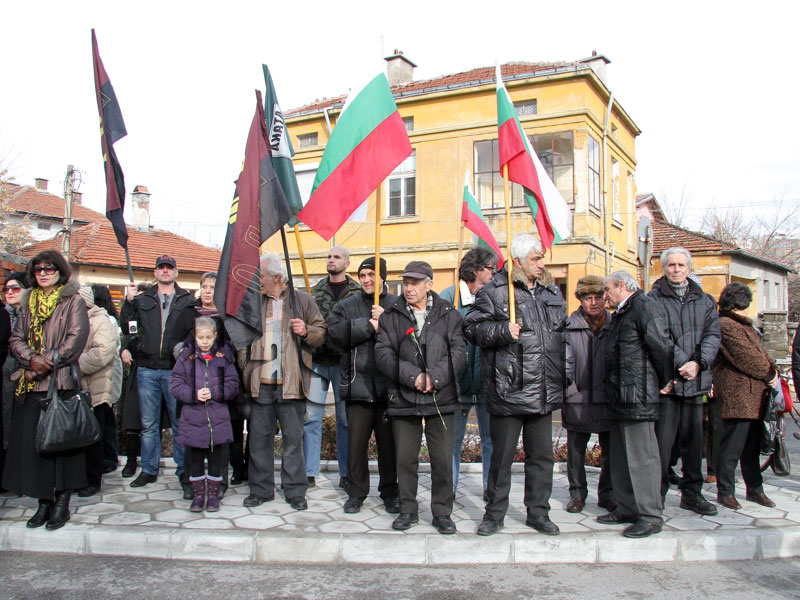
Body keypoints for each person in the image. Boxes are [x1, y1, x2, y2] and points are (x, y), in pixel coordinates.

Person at [464, 234, 566, 537]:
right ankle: (494, 514)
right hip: (509, 388)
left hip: (543, 389)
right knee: (502, 458)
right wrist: (501, 330)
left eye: (542, 258)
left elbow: (561, 334)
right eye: (535, 258)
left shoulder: (550, 291)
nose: (541, 264)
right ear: (518, 261)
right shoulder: (495, 290)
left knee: (542, 458)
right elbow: (471, 328)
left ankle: (538, 512)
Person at [375, 260, 466, 534]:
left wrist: (434, 378)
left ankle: (442, 513)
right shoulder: (390, 316)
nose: (409, 288)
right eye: (405, 282)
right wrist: (413, 376)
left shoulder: (450, 315)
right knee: (405, 459)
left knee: (441, 459)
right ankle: (407, 510)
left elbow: (459, 353)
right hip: (403, 398)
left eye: (415, 282)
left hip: (442, 397)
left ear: (429, 284)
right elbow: (383, 354)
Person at [4, 250, 90, 530]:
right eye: (38, 269)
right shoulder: (28, 302)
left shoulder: (72, 301)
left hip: (62, 380)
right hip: (31, 382)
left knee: (61, 445)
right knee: (36, 446)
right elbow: (16, 338)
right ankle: (43, 502)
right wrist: (32, 360)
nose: (43, 273)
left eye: (49, 268)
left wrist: (48, 361)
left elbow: (76, 339)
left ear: (60, 272)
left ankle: (62, 504)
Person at [238, 253, 326, 510]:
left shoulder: (303, 301)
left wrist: (307, 331)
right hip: (261, 383)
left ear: (276, 277)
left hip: (292, 384)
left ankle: (295, 491)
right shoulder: (254, 302)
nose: (259, 280)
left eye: (262, 276)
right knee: (258, 440)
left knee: (292, 440)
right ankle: (261, 489)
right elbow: (242, 338)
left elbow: (322, 333)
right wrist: (246, 368)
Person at [600, 270, 674, 538]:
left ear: (621, 285)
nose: (604, 296)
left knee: (643, 459)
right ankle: (627, 507)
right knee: (621, 457)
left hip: (637, 396)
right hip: (620, 396)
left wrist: (664, 380)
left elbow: (662, 348)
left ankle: (650, 515)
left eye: (607, 290)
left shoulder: (644, 306)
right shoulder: (622, 312)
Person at [648, 247, 720, 516]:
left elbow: (713, 335)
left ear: (689, 268)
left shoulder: (705, 300)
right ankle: (657, 496)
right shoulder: (653, 299)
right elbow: (658, 337)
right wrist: (681, 364)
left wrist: (698, 363)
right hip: (668, 385)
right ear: (664, 268)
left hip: (695, 384)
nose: (676, 269)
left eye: (681, 265)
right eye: (671, 265)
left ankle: (692, 494)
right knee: (662, 446)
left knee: (693, 444)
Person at [327, 257, 399, 514]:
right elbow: (333, 334)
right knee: (356, 446)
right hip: (357, 385)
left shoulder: (396, 305)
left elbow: (410, 337)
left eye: (372, 275)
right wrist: (367, 326)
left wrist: (387, 321)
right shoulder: (347, 305)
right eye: (363, 275)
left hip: (389, 388)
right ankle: (356, 492)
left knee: (388, 446)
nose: (367, 280)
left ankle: (390, 491)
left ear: (383, 277)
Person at [120, 255, 195, 495]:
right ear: (155, 272)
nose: (165, 271)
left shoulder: (187, 300)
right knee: (149, 424)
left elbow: (193, 332)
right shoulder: (142, 299)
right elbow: (129, 328)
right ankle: (149, 470)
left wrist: (185, 351)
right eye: (161, 268)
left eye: (169, 268)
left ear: (176, 272)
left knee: (179, 423)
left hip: (175, 370)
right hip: (147, 368)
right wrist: (128, 303)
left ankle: (183, 470)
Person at [713, 282, 778, 510]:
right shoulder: (726, 325)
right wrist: (769, 372)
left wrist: (772, 370)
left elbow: (761, 354)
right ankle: (726, 491)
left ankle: (755, 489)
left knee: (751, 448)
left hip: (754, 396)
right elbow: (747, 357)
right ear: (740, 303)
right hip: (737, 395)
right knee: (732, 446)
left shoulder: (746, 326)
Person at [438, 246, 496, 501]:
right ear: (475, 271)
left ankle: (490, 488)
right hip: (456, 386)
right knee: (451, 442)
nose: (494, 272)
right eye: (490, 268)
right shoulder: (448, 298)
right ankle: (448, 490)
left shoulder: (495, 296)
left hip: (487, 384)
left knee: (491, 440)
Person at [170, 316, 239, 512]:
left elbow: (233, 384)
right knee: (195, 460)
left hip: (217, 418)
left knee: (217, 459)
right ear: (195, 337)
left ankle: (214, 496)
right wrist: (193, 394)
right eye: (201, 338)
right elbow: (175, 384)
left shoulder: (223, 358)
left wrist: (216, 393)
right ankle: (198, 495)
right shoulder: (186, 358)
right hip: (193, 418)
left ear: (215, 336)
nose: (205, 342)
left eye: (209, 337)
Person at [306, 246, 360, 489]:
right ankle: (309, 472)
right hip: (317, 362)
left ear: (347, 264)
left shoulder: (357, 292)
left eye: (336, 257)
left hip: (344, 364)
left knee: (345, 421)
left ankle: (346, 473)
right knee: (311, 418)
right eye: (328, 256)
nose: (331, 260)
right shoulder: (313, 291)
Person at [563, 274, 615, 514]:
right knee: (576, 452)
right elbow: (563, 364)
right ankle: (577, 494)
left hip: (608, 399)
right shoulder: (569, 327)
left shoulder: (616, 325)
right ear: (580, 300)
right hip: (578, 399)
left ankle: (607, 495)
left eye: (598, 297)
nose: (593, 302)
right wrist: (571, 391)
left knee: (611, 452)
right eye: (587, 298)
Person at [192, 272, 247, 492]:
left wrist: (226, 353)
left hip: (225, 381)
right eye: (204, 286)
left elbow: (238, 344)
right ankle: (195, 479)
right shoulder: (190, 313)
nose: (208, 291)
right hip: (197, 383)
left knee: (228, 432)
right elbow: (180, 344)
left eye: (212, 287)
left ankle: (228, 475)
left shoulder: (229, 316)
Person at [76, 286, 123, 497]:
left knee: (94, 434)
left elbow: (103, 352)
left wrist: (72, 363)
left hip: (96, 387)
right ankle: (77, 477)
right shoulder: (69, 320)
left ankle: (93, 480)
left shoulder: (101, 320)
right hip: (74, 387)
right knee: (76, 435)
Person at [1, 272, 29, 490]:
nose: (9, 292)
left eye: (15, 288)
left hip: (26, 378)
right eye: (6, 289)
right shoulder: (4, 315)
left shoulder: (30, 315)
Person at [91, 284, 122, 474]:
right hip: (104, 376)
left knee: (105, 417)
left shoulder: (106, 320)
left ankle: (109, 457)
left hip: (105, 376)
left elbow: (108, 351)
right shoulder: (110, 318)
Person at [118, 282, 148, 478]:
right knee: (132, 419)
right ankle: (130, 460)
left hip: (156, 368)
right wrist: (124, 349)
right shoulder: (135, 318)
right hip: (138, 372)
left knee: (152, 423)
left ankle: (149, 462)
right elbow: (128, 333)